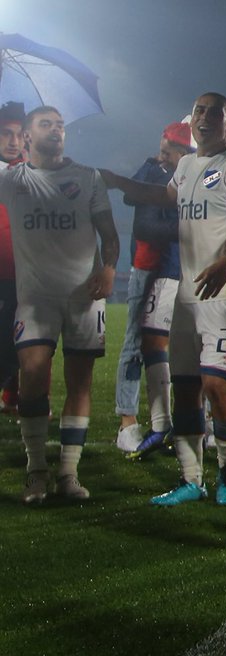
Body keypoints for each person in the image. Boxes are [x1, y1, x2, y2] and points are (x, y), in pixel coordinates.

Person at [102, 93, 226, 507]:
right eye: (199, 111)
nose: (204, 118)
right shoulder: (188, 165)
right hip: (188, 292)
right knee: (186, 386)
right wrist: (119, 182)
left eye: (215, 113)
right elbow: (165, 197)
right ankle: (191, 479)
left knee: (216, 382)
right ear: (191, 120)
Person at [0, 106, 119, 504]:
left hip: (85, 297)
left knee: (79, 382)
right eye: (46, 124)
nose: (56, 130)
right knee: (32, 372)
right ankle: (36, 471)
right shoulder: (12, 179)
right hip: (35, 298)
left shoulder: (88, 177)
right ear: (27, 136)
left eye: (60, 125)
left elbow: (109, 234)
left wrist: (109, 268)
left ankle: (68, 473)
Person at [114, 122, 193, 458]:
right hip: (151, 270)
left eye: (167, 152)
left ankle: (185, 423)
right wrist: (191, 227)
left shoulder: (194, 174)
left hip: (184, 270)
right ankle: (127, 424)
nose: (162, 157)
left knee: (186, 348)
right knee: (136, 344)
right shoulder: (154, 172)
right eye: (162, 151)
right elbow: (141, 217)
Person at [0, 101, 27, 414]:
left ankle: (18, 397)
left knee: (27, 338)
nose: (13, 141)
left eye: (19, 135)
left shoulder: (31, 171)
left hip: (24, 270)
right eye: (7, 133)